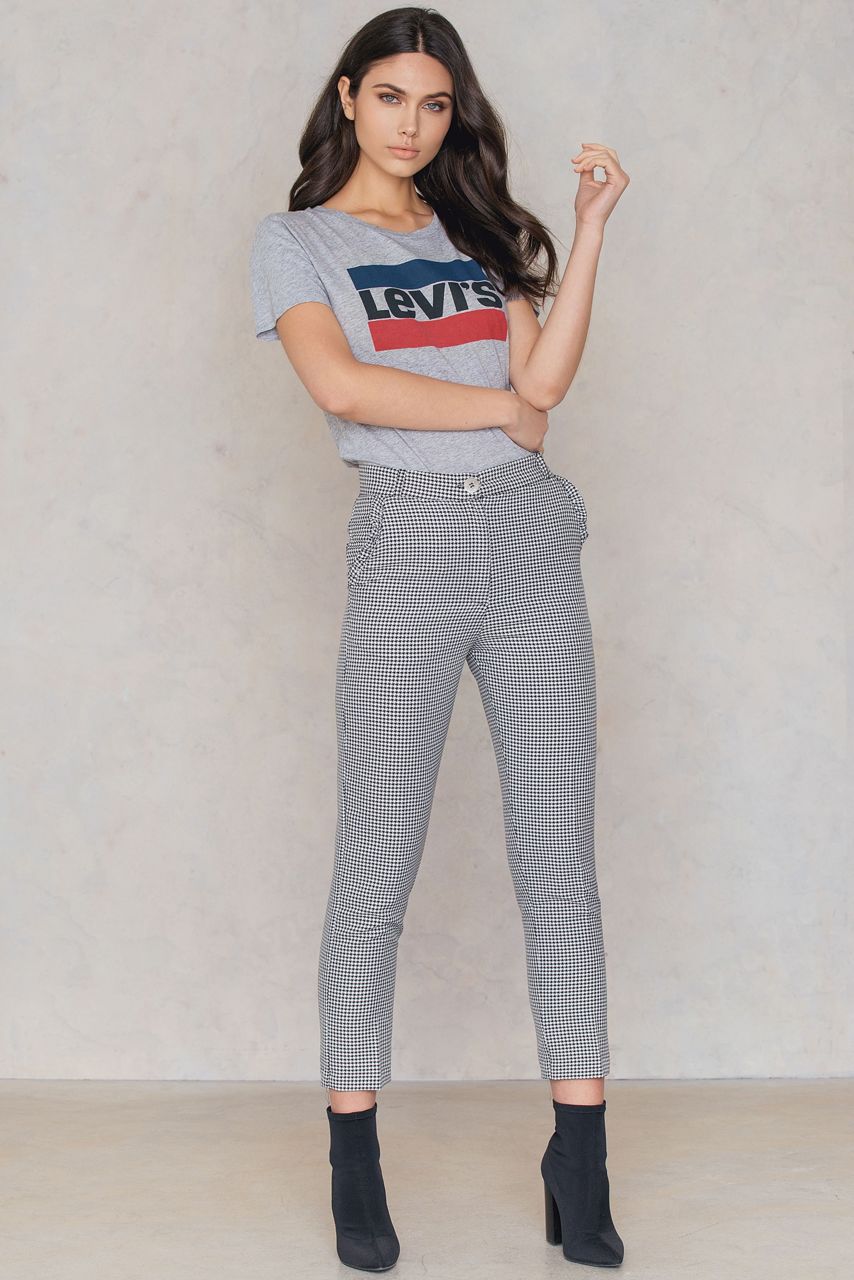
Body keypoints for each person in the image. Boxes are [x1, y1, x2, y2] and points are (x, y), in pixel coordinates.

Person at [249, 6, 630, 1271]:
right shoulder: (297, 242)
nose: (411, 124)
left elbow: (545, 395)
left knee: (556, 850)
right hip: (405, 546)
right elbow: (342, 387)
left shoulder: (476, 235)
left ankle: (579, 1155)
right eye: (390, 97)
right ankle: (353, 1151)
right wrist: (493, 407)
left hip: (527, 541)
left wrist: (585, 231)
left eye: (434, 103)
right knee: (378, 854)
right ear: (347, 97)